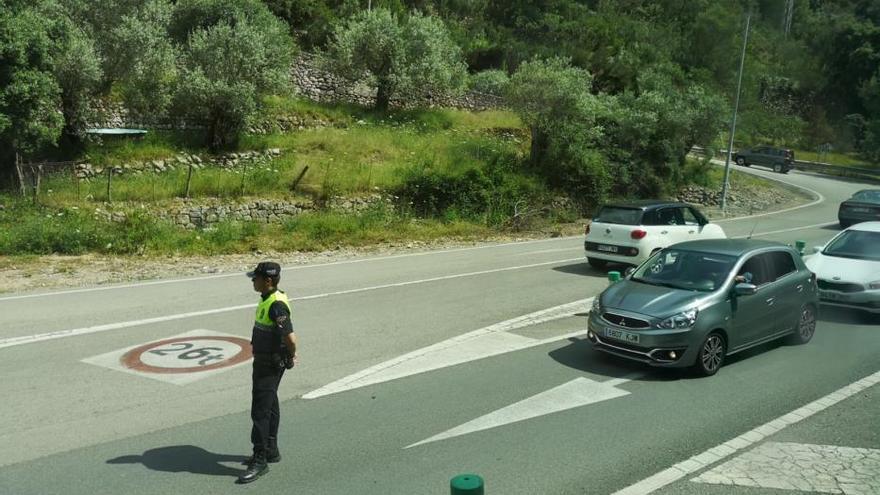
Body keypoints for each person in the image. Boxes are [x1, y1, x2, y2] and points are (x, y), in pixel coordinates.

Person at [239, 261, 298, 484]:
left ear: (268, 280)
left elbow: (290, 337)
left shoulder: (276, 305)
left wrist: (291, 355)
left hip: (269, 364)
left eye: (256, 278)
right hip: (267, 361)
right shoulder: (268, 298)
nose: (253, 281)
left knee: (260, 411)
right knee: (270, 403)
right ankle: (271, 449)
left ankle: (260, 458)